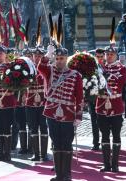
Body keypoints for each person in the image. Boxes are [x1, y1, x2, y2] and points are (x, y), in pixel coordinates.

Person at [38, 45, 84, 180]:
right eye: (57, 58)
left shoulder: (75, 75)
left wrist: (79, 116)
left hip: (68, 113)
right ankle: (58, 175)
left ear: (66, 59)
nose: (59, 61)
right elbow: (40, 67)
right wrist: (47, 54)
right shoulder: (50, 71)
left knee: (66, 143)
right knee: (56, 142)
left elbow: (80, 97)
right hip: (51, 112)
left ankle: (67, 175)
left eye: (62, 58)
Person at [96, 46, 126, 172]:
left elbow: (122, 81)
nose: (109, 56)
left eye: (111, 54)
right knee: (104, 135)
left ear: (116, 55)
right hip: (102, 104)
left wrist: (108, 76)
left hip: (115, 105)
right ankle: (106, 164)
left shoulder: (122, 68)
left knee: (116, 135)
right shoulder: (98, 68)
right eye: (107, 54)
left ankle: (115, 164)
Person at [25, 47, 48, 161]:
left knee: (43, 127)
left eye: (39, 56)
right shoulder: (27, 68)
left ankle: (44, 154)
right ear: (32, 56)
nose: (37, 57)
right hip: (30, 101)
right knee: (33, 127)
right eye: (35, 56)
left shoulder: (47, 68)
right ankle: (35, 154)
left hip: (43, 101)